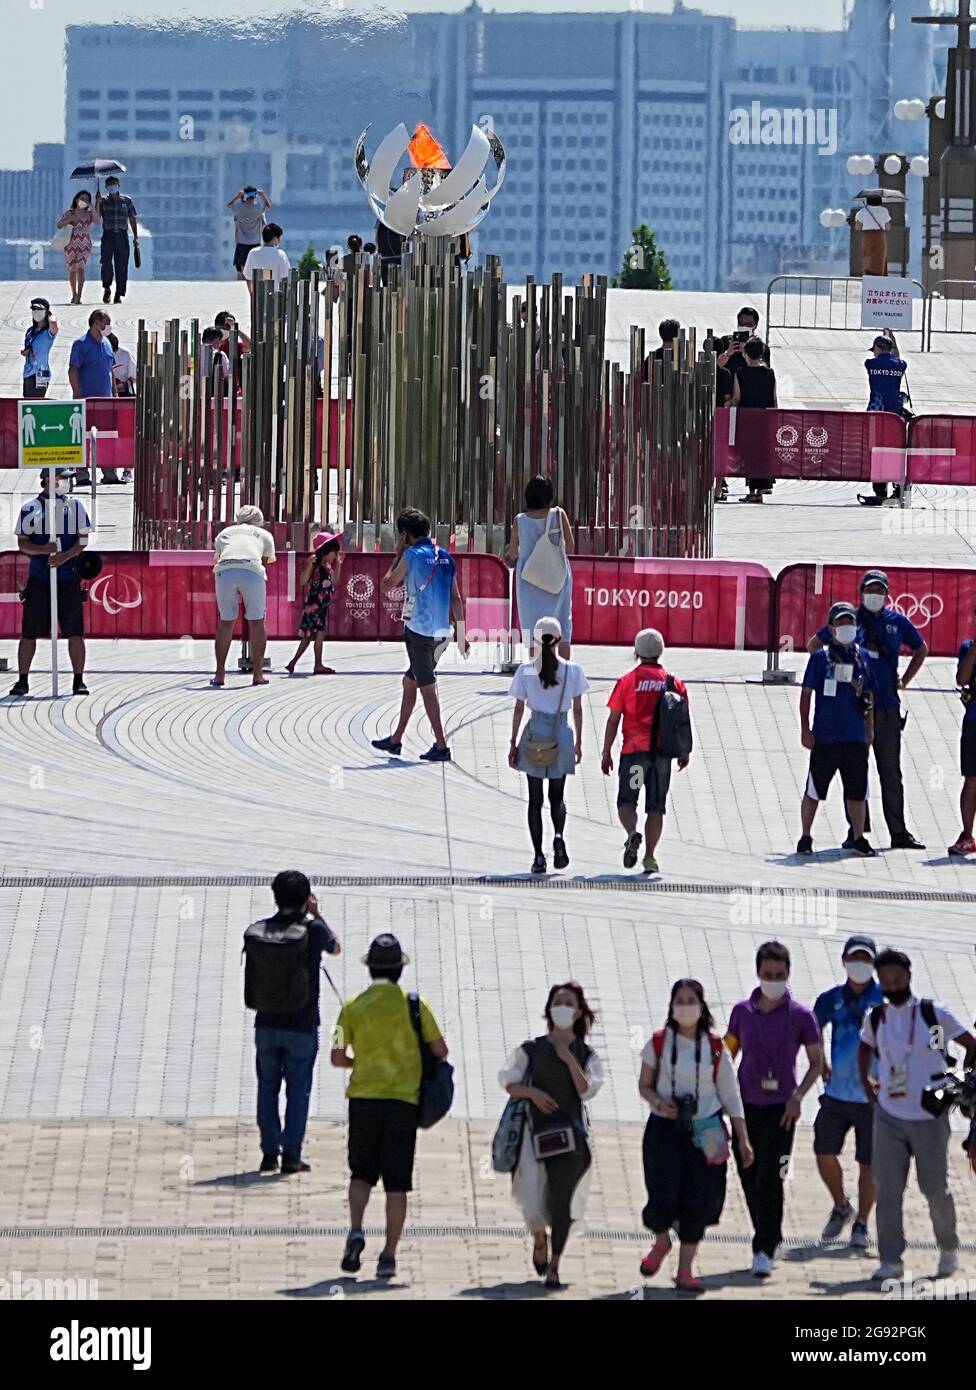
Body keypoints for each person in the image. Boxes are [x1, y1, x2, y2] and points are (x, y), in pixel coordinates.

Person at [331, 934, 448, 1281]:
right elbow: (441, 1050)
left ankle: (355, 1231)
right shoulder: (416, 1004)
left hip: (364, 1102)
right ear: (399, 969)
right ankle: (388, 1255)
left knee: (361, 1174)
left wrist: (361, 1060)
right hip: (403, 1104)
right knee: (397, 1184)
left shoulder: (351, 1006)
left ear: (370, 970)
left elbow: (337, 1056)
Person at [858, 948, 976, 1281]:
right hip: (888, 1115)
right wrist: (867, 1082)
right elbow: (864, 1046)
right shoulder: (876, 1017)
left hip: (929, 1116)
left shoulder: (932, 1013)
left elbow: (971, 1043)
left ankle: (948, 1248)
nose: (891, 986)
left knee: (934, 1188)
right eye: (885, 981)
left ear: (909, 976)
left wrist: (961, 1080)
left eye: (896, 980)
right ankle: (891, 1259)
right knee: (888, 1189)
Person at [638, 979, 752, 1294]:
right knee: (661, 1197)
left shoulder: (716, 1046)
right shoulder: (659, 1043)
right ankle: (661, 1242)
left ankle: (685, 1270)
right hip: (665, 1129)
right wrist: (658, 1101)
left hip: (707, 1129)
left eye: (691, 1000)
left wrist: (742, 1138)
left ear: (701, 1007)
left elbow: (731, 1094)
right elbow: (644, 1084)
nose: (685, 1006)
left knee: (698, 1201)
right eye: (679, 1001)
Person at [806, 570, 926, 850]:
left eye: (880, 590)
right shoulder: (849, 619)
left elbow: (921, 648)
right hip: (854, 711)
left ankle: (898, 832)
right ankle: (858, 832)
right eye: (870, 589)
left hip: (887, 707)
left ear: (887, 594)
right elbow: (815, 645)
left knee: (891, 771)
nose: (875, 594)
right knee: (855, 773)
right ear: (861, 592)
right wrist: (831, 673)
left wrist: (904, 681)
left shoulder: (897, 622)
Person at [725, 941, 822, 1278]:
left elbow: (815, 1063)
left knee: (772, 1176)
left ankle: (763, 1247)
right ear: (757, 973)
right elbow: (727, 1055)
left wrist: (798, 1096)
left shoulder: (802, 1016)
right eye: (768, 974)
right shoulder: (741, 1012)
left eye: (779, 974)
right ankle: (767, 1233)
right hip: (746, 1107)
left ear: (788, 974)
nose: (773, 980)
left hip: (782, 1109)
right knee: (749, 1174)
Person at [499, 982, 603, 1289]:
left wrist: (568, 1058)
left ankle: (555, 1265)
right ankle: (538, 1239)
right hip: (533, 1138)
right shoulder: (531, 1049)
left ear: (579, 1011)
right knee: (530, 1200)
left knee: (562, 1204)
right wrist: (532, 1093)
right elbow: (509, 1082)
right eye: (558, 1001)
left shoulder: (586, 1054)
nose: (562, 1007)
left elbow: (587, 1089)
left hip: (571, 1140)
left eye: (569, 1003)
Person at [244, 870, 340, 1175]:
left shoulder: (261, 931)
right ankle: (292, 1157)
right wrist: (316, 912)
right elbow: (336, 947)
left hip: (265, 1023)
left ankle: (269, 1153)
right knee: (298, 1092)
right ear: (305, 898)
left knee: (267, 1088)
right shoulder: (312, 930)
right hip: (302, 1024)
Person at [371, 507, 468, 763]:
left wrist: (396, 556)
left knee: (427, 687)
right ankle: (396, 739)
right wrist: (461, 634)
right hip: (442, 634)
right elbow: (456, 599)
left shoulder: (411, 556)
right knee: (410, 682)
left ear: (405, 535)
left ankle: (441, 745)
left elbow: (386, 585)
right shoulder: (446, 557)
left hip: (419, 634)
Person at [812, 936, 884, 1249]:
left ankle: (862, 1223)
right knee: (823, 1151)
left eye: (866, 959)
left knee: (869, 1162)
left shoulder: (886, 998)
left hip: (873, 1096)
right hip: (837, 1092)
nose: (860, 965)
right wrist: (821, 1062)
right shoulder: (830, 998)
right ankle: (841, 1204)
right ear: (844, 961)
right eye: (855, 958)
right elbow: (812, 1028)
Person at [601, 627, 690, 876]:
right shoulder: (673, 682)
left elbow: (614, 719)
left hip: (635, 755)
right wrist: (684, 752)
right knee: (656, 807)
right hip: (662, 757)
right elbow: (682, 720)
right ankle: (650, 858)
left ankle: (632, 833)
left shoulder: (628, 681)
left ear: (637, 652)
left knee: (627, 802)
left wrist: (606, 751)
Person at [508, 617, 588, 874]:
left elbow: (519, 709)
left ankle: (539, 856)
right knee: (557, 797)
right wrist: (578, 743)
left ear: (534, 641)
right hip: (561, 733)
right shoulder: (573, 671)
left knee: (534, 800)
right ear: (559, 641)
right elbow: (577, 710)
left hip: (535, 733)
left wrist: (513, 742)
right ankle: (559, 836)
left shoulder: (526, 670)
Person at [797, 601, 876, 857]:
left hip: (854, 735)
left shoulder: (863, 657)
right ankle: (805, 836)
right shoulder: (821, 659)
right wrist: (805, 729)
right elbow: (806, 695)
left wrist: (870, 729)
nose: (845, 626)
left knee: (857, 790)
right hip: (825, 737)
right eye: (840, 622)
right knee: (814, 790)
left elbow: (869, 696)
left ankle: (858, 836)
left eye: (849, 622)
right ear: (830, 628)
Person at [9, 469, 91, 697]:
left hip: (68, 579)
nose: (65, 482)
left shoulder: (74, 507)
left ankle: (78, 681)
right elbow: (23, 544)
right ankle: (22, 680)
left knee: (75, 631)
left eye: (66, 478)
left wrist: (65, 556)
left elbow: (83, 539)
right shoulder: (30, 508)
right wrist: (44, 550)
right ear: (47, 480)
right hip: (39, 579)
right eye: (61, 477)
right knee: (29, 632)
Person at [505, 474, 574, 658]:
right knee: (563, 624)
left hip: (529, 579)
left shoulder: (519, 520)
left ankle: (536, 674)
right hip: (557, 575)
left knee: (532, 625)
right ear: (550, 496)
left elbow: (513, 553)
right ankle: (564, 673)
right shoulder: (558, 514)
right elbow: (571, 546)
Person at [211, 505, 276, 688]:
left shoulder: (225, 533)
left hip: (225, 570)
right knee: (256, 621)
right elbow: (263, 564)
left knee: (226, 622)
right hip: (252, 570)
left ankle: (219, 674)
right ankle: (257, 674)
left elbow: (218, 557)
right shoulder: (264, 535)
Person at [68, 310, 118, 486]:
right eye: (107, 322)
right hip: (87, 400)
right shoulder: (81, 344)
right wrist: (77, 393)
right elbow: (72, 369)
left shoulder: (106, 343)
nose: (109, 326)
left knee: (107, 436)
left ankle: (109, 472)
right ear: (97, 322)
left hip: (106, 401)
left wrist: (115, 394)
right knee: (84, 436)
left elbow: (110, 371)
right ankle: (82, 473)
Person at [860, 331, 909, 503]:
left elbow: (882, 360)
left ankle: (880, 489)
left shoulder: (870, 364)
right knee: (893, 453)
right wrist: (893, 342)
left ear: (879, 348)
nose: (873, 352)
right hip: (894, 416)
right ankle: (898, 487)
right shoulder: (901, 366)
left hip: (875, 414)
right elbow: (897, 359)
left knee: (876, 453)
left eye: (874, 349)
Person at [285, 531, 342, 675]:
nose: (335, 555)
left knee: (309, 636)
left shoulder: (328, 567)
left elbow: (334, 582)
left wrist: (339, 565)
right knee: (316, 635)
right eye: (334, 552)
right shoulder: (315, 565)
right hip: (314, 606)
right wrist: (309, 566)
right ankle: (317, 664)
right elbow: (302, 580)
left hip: (322, 607)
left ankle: (294, 662)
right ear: (325, 551)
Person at [731, 337, 777, 503]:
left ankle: (752, 490)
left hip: (747, 419)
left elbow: (737, 398)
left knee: (749, 455)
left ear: (745, 354)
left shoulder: (740, 373)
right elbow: (774, 399)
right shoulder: (769, 373)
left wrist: (729, 407)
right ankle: (760, 489)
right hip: (764, 419)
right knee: (761, 453)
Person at [950, 617, 976, 855]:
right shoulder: (969, 647)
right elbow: (961, 679)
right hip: (974, 723)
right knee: (971, 782)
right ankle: (967, 835)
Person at [94, 176, 138, 304]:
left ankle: (119, 293)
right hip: (108, 235)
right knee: (106, 263)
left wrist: (136, 237)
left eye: (114, 184)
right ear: (106, 188)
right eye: (109, 185)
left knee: (122, 266)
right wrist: (97, 202)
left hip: (122, 236)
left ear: (118, 185)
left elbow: (132, 219)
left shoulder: (127, 201)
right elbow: (96, 218)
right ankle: (107, 288)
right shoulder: (103, 201)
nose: (112, 187)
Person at [57, 189, 97, 305]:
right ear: (76, 200)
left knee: (80, 268)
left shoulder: (89, 214)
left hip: (85, 244)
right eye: (82, 199)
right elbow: (59, 225)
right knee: (72, 270)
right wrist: (69, 220)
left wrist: (93, 206)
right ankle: (73, 294)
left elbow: (97, 220)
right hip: (70, 244)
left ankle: (79, 296)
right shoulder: (70, 213)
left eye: (87, 199)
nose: (84, 201)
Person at [228, 185, 270, 280]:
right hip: (255, 242)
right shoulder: (258, 208)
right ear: (255, 196)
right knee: (255, 268)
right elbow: (267, 206)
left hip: (241, 242)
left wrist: (238, 196)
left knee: (241, 270)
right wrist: (263, 195)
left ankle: (240, 288)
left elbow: (230, 205)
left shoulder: (238, 207)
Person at [21, 298, 59, 398]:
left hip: (42, 372)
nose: (36, 313)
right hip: (28, 371)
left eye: (39, 310)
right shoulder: (30, 331)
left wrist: (49, 314)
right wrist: (26, 351)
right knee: (27, 400)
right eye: (33, 310)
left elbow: (54, 323)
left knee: (38, 400)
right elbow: (29, 347)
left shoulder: (48, 332)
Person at [243, 223, 291, 291]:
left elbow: (248, 277)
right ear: (275, 239)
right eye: (279, 238)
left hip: (258, 296)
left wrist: (252, 295)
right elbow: (285, 278)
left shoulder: (253, 253)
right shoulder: (281, 254)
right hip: (276, 296)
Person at [855, 193, 891, 277]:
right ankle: (880, 277)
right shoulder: (884, 210)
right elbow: (888, 227)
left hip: (867, 237)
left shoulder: (863, 211)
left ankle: (869, 276)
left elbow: (858, 227)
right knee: (880, 257)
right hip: (880, 236)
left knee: (868, 257)